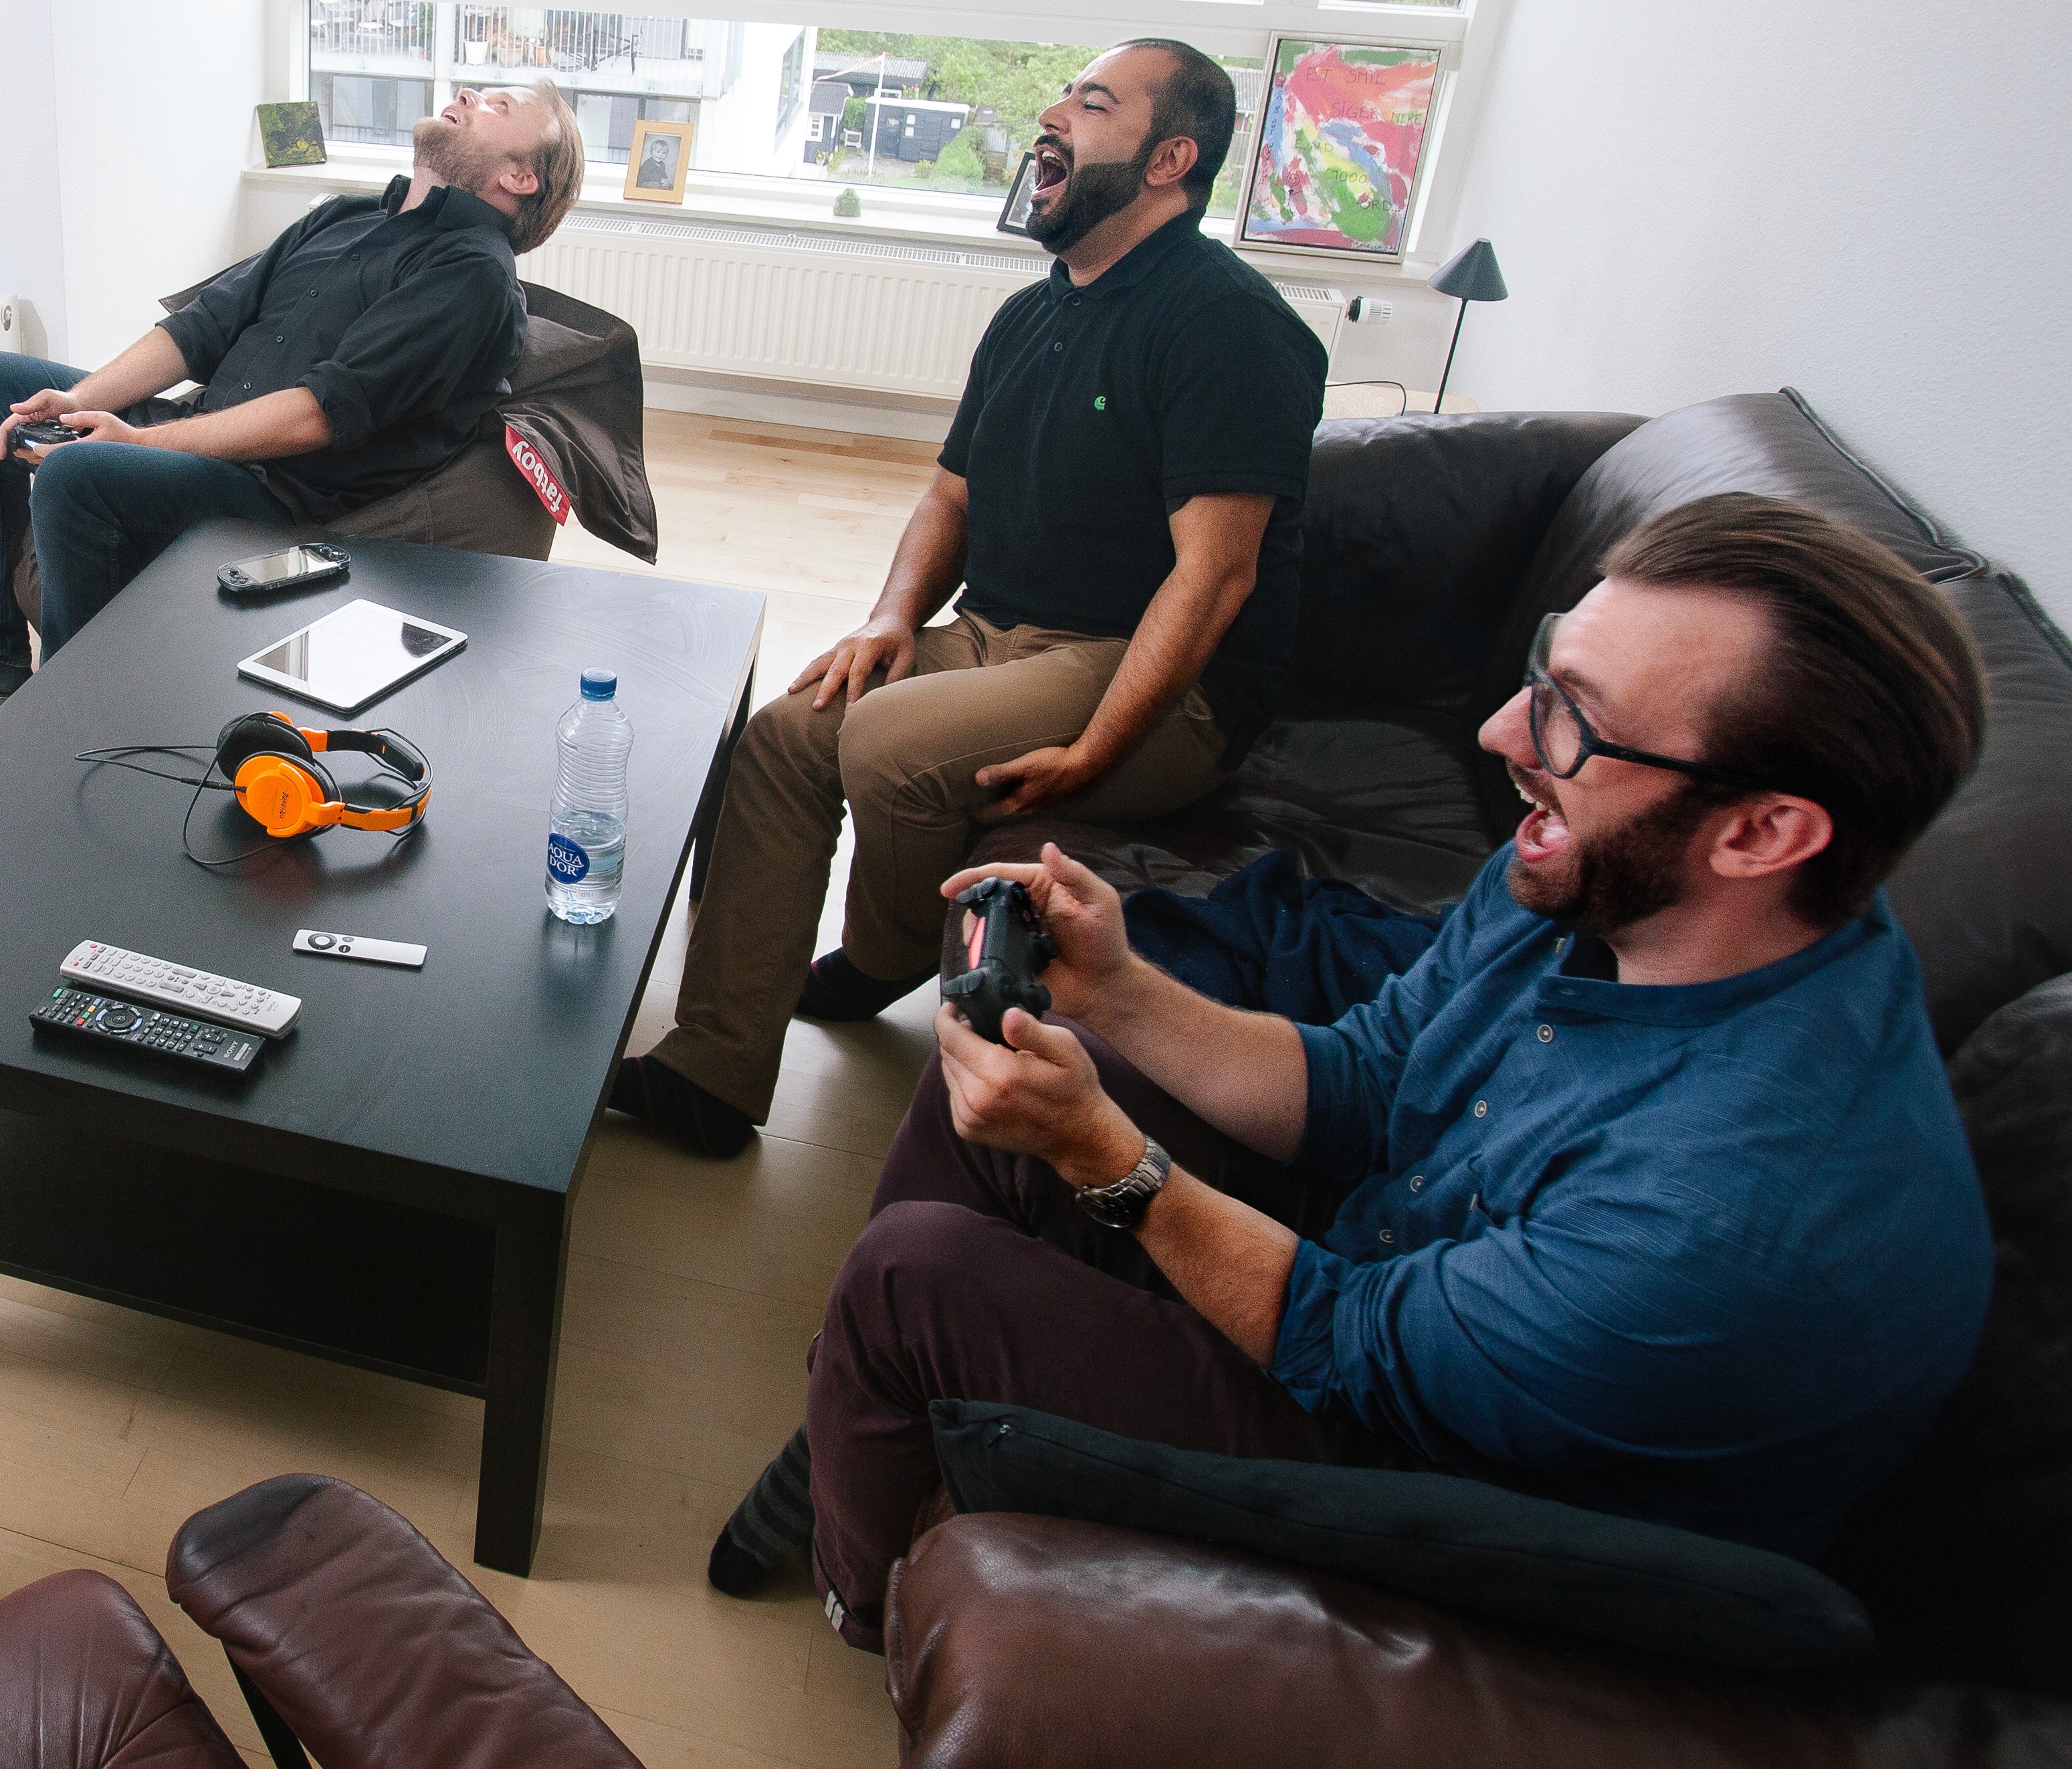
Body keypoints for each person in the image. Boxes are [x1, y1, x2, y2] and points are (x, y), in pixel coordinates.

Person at [750, 495, 1993, 1637]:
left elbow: (1346, 1341)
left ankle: (862, 1592)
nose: (1503, 733)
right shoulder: (1602, 874)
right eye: (1543, 674)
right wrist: (1115, 989)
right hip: (1406, 1286)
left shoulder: (1723, 1214)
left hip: (1456, 1487)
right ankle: (859, 1412)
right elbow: (1369, 1077)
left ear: (1762, 832)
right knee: (1013, 1058)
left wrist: (1101, 1153)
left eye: (1575, 718)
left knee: (913, 1275)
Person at [608, 39, 1324, 1157]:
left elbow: (1214, 574)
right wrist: (891, 617)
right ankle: (711, 1067)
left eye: (1091, 103)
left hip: (1150, 676)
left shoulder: (1227, 326)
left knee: (887, 742)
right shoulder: (1032, 314)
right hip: (996, 635)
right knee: (789, 734)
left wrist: (1097, 748)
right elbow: (950, 495)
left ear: (1168, 160)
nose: (1051, 114)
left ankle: (887, 954)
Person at [0, 81, 584, 704]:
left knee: (76, 475)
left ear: (519, 176)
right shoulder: (345, 216)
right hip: (202, 426)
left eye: (498, 105)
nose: (466, 95)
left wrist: (140, 443)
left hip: (276, 492)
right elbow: (203, 327)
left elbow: (318, 414)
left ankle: (67, 721)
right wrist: (80, 399)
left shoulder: (472, 275)